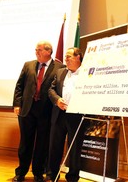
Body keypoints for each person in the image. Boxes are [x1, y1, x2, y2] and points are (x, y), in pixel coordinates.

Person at [12, 41, 65, 182]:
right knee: (25, 143)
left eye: (39, 49)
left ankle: (38, 172)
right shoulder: (28, 65)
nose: (36, 51)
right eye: (36, 49)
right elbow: (19, 86)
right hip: (27, 110)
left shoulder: (60, 68)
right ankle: (21, 172)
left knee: (42, 144)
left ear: (48, 51)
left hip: (46, 113)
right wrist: (17, 104)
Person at [47, 47, 86, 182]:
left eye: (69, 56)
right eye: (65, 56)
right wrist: (57, 100)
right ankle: (53, 175)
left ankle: (72, 177)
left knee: (74, 148)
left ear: (78, 57)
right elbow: (51, 90)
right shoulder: (60, 72)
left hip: (77, 116)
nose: (66, 59)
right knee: (55, 146)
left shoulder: (87, 74)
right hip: (59, 114)